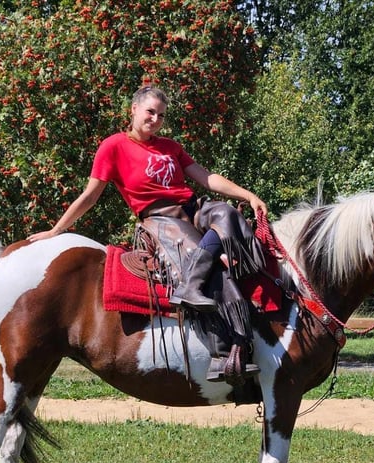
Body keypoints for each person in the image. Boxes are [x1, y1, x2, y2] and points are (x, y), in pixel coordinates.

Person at [28, 86, 267, 385]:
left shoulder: (170, 146)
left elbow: (206, 177)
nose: (155, 119)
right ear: (134, 110)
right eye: (150, 112)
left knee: (228, 214)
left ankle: (192, 283)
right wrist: (56, 230)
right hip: (159, 218)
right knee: (204, 259)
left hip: (191, 208)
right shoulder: (113, 146)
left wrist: (249, 195)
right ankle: (224, 351)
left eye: (161, 115)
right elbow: (90, 196)